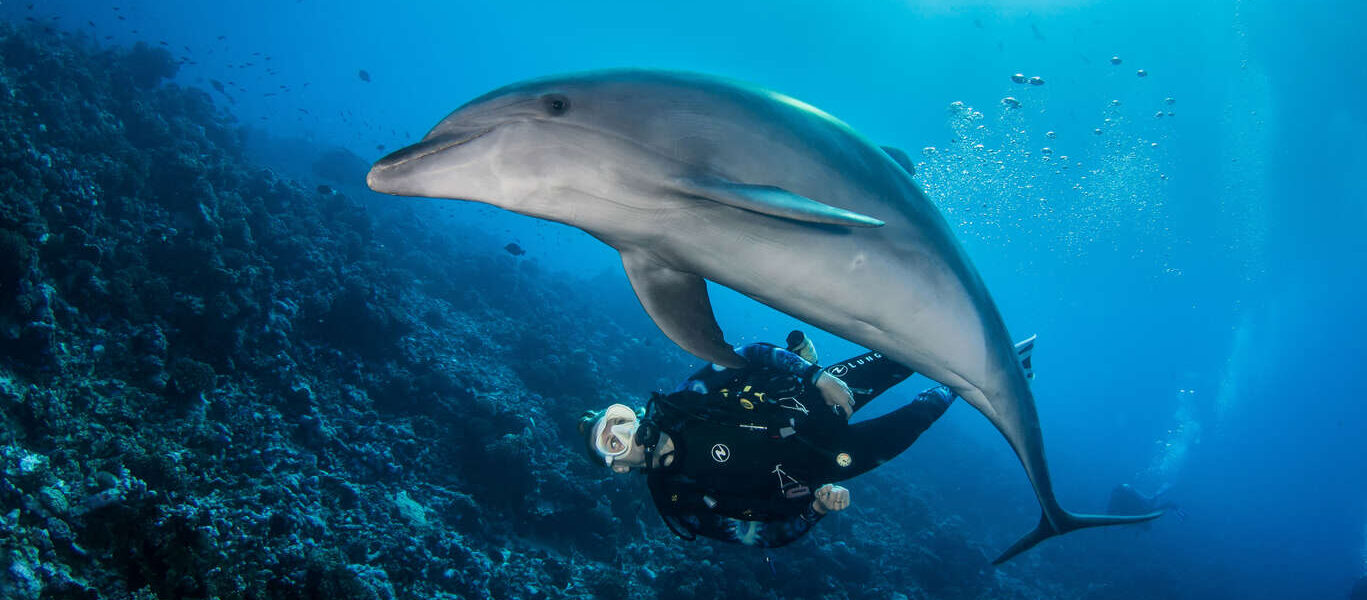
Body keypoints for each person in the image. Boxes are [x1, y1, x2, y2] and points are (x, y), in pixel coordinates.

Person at [577, 331, 1035, 548]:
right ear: (620, 467)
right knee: (920, 415)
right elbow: (762, 535)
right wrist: (818, 508)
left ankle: (976, 337)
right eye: (612, 443)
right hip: (828, 464)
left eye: (616, 419)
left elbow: (746, 353)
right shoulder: (682, 502)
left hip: (817, 398)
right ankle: (986, 378)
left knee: (905, 352)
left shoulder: (685, 398)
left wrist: (813, 375)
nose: (623, 432)